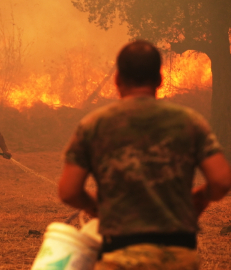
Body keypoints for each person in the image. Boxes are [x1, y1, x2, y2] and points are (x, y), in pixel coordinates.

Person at [58, 40, 231, 269]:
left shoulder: (94, 125)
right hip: (178, 254)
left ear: (117, 79)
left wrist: (98, 209)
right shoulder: (190, 122)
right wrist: (197, 200)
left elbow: (69, 191)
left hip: (119, 253)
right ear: (159, 79)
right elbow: (221, 180)